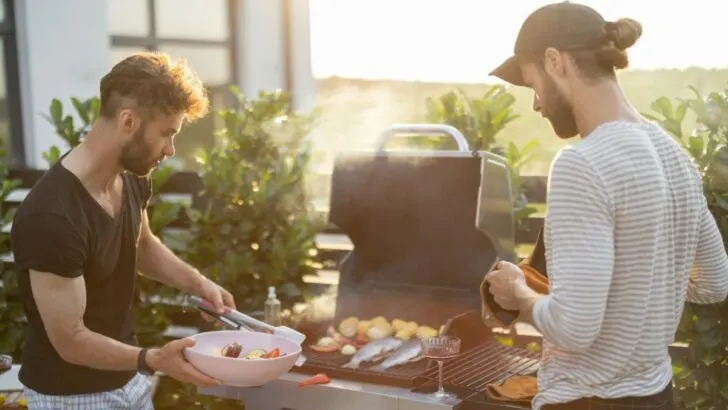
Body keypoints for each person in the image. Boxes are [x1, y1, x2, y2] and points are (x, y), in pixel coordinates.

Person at [482, 2, 728, 410]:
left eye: (532, 85)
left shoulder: (584, 163)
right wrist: (639, 278)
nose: (536, 104)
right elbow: (714, 283)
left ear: (555, 61)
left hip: (588, 401)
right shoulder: (676, 157)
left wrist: (519, 292)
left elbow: (573, 329)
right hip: (655, 396)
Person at [10, 51, 236, 409]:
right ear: (128, 121)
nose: (170, 149)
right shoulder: (51, 218)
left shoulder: (130, 177)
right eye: (166, 133)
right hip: (71, 399)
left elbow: (141, 243)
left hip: (130, 382)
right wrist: (151, 358)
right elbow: (69, 339)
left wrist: (199, 284)